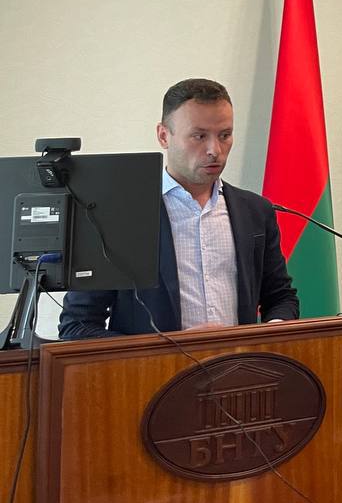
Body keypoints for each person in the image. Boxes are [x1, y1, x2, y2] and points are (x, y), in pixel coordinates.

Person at [59, 78, 298, 338]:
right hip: (155, 364)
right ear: (164, 136)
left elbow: (280, 297)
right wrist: (168, 349)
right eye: (199, 136)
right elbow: (78, 326)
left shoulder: (255, 211)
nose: (214, 150)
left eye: (224, 135)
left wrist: (273, 331)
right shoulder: (116, 216)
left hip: (241, 361)